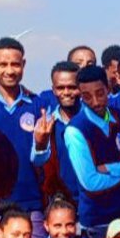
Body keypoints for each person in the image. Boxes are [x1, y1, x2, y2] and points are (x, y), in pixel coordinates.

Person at [58, 65, 120, 238]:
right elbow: (91, 182)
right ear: (80, 95)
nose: (96, 102)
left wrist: (110, 168)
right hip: (96, 222)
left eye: (100, 93)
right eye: (87, 97)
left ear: (108, 88)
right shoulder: (75, 131)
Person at [0, 37, 50, 238]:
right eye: (3, 64)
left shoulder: (37, 104)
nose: (10, 71)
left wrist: (41, 143)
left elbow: (41, 160)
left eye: (15, 64)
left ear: (23, 65)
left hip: (30, 204)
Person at [31, 60, 82, 209]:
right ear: (53, 90)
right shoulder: (47, 123)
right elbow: (37, 161)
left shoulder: (92, 119)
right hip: (60, 203)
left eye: (72, 87)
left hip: (93, 201)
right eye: (60, 88)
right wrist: (40, 143)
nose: (66, 92)